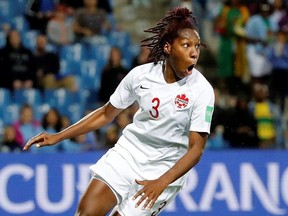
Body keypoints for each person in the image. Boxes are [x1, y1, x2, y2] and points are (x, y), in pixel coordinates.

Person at [23, 7, 215, 216]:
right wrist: (58, 136)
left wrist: (162, 182)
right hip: (128, 155)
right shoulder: (141, 76)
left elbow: (196, 149)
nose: (194, 52)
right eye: (186, 45)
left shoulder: (202, 90)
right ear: (168, 47)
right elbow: (107, 113)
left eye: (197, 46)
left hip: (164, 169)